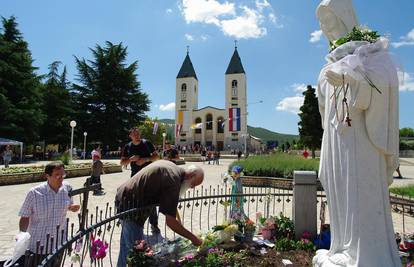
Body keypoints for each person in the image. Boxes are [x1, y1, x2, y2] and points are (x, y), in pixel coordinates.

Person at [313, 0, 400, 266]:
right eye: (323, 24)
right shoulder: (326, 67)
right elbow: (324, 109)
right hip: (336, 141)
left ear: (346, 18)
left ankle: (366, 255)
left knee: (360, 192)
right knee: (338, 190)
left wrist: (352, 79)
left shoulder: (372, 54)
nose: (327, 29)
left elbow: (384, 86)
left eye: (331, 20)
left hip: (361, 141)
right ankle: (341, 247)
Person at [115, 160, 204, 267]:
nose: (192, 187)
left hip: (126, 199)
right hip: (130, 205)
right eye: (193, 184)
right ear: (191, 175)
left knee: (126, 249)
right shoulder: (173, 180)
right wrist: (194, 238)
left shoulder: (174, 170)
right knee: (136, 253)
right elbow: (170, 222)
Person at [17, 162, 80, 266]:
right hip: (38, 245)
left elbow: (67, 205)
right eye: (57, 175)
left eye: (63, 175)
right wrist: (22, 234)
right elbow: (25, 216)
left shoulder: (67, 188)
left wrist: (71, 208)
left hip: (59, 243)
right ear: (47, 176)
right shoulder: (34, 193)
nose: (61, 178)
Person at [120, 127, 160, 234]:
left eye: (138, 134)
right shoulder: (128, 147)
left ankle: (154, 224)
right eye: (135, 134)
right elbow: (122, 163)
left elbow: (156, 157)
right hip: (135, 177)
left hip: (149, 176)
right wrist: (130, 159)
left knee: (151, 200)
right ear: (130, 136)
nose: (137, 136)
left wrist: (145, 159)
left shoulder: (147, 143)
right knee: (136, 200)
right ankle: (137, 223)